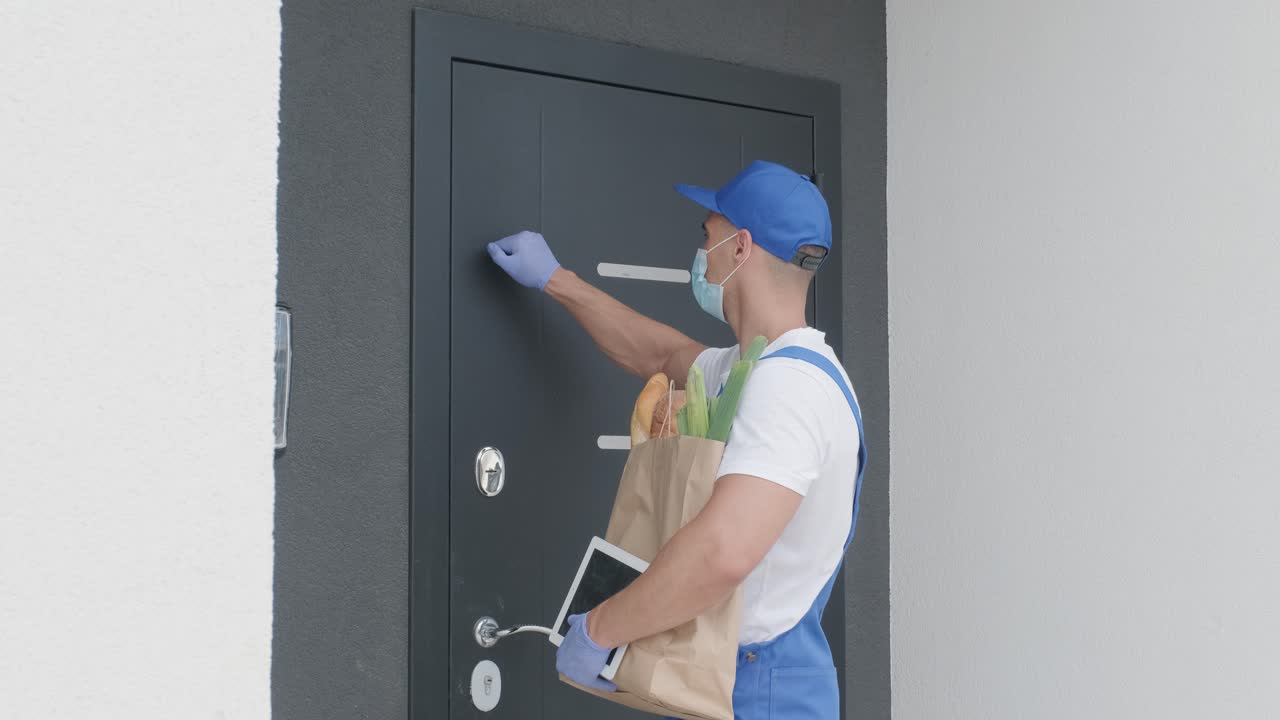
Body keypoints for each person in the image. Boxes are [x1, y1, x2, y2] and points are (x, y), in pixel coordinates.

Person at [486, 160, 866, 719]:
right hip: (739, 674)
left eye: (706, 234)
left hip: (763, 692)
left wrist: (599, 629)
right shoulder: (757, 368)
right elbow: (661, 355)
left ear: (740, 248)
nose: (699, 250)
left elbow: (723, 551)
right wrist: (555, 280)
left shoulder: (790, 388)